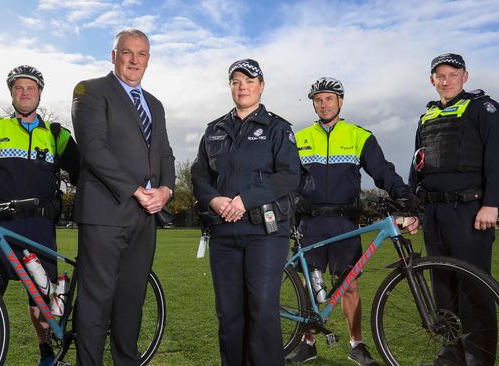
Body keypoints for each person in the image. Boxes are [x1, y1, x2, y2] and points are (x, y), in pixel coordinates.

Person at [286, 77, 419, 365]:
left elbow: (383, 171)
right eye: (318, 99)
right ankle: (308, 342)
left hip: (344, 222)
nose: (323, 104)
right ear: (313, 103)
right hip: (310, 222)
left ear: (340, 101)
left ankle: (355, 343)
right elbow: (288, 179)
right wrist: (294, 200)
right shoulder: (300, 138)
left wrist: (404, 195)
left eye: (329, 98)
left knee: (348, 286)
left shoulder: (359, 135)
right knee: (311, 285)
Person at [0, 65, 80, 366]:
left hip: (38, 227)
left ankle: (46, 355)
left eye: (31, 88)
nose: (25, 93)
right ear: (11, 93)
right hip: (0, 225)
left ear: (39, 94)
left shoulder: (57, 135)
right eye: (19, 88)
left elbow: (81, 173)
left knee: (40, 302)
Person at [71, 28, 175, 365]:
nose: (134, 60)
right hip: (106, 213)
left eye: (141, 54)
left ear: (148, 60)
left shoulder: (155, 105)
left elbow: (165, 155)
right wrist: (134, 190)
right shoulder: (90, 91)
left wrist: (166, 190)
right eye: (126, 52)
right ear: (113, 55)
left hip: (145, 217)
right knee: (96, 300)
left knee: (131, 299)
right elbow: (94, 149)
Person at [191, 59, 301, 366]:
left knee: (262, 310)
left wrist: (244, 199)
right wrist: (213, 200)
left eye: (250, 81)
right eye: (237, 82)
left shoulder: (278, 128)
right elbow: (199, 175)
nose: (243, 87)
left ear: (261, 86)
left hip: (264, 233)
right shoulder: (213, 130)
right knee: (229, 313)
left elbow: (290, 175)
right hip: (223, 233)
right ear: (230, 87)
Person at [409, 53, 499, 365]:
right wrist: (412, 208)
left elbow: (495, 157)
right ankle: (452, 352)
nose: (446, 81)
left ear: (465, 76)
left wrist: (492, 203)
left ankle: (478, 357)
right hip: (435, 215)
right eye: (440, 76)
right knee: (443, 288)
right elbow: (417, 165)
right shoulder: (426, 117)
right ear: (432, 80)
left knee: (473, 288)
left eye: (452, 74)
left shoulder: (482, 109)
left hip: (470, 211)